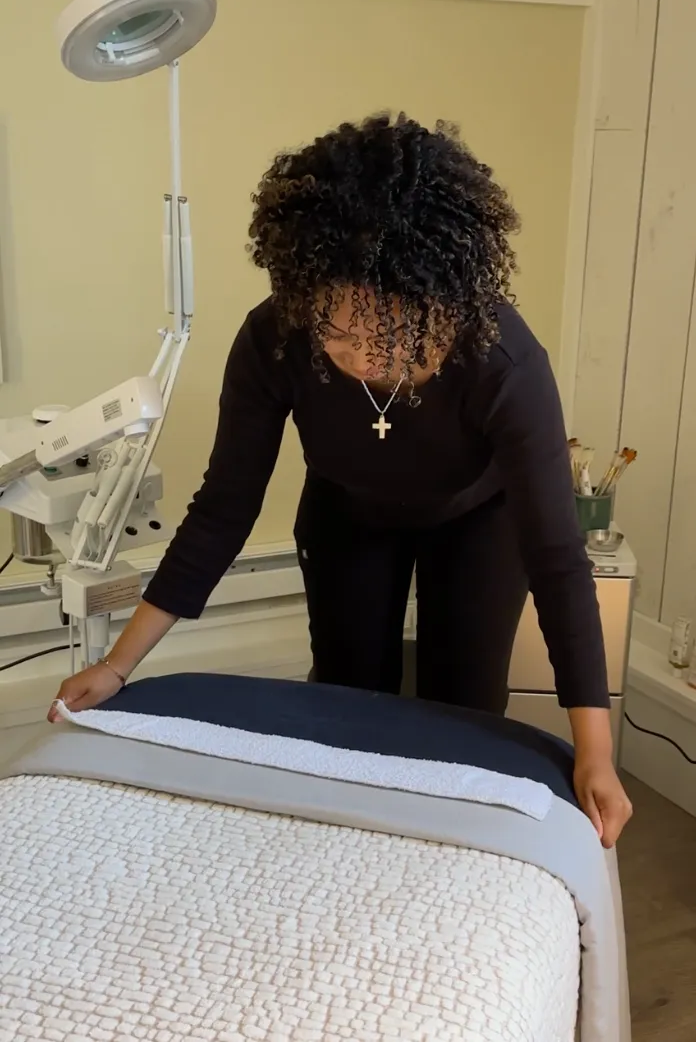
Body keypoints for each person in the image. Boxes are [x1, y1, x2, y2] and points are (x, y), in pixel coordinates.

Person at [49, 113, 632, 846]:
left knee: (465, 704)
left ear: (442, 299)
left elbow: (557, 560)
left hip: (479, 522)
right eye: (337, 329)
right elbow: (224, 508)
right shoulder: (273, 339)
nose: (361, 357)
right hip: (347, 513)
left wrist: (598, 755)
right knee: (347, 696)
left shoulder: (504, 363)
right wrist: (116, 664)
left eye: (389, 336)